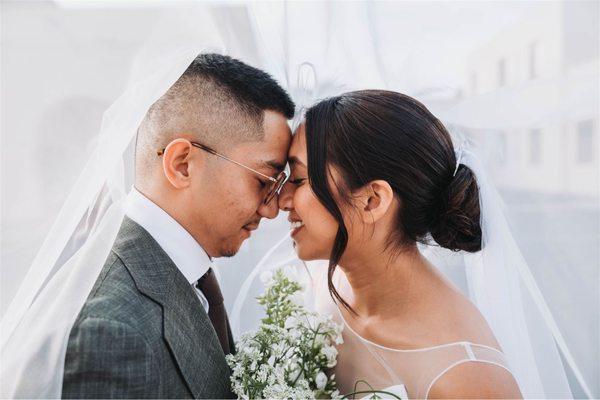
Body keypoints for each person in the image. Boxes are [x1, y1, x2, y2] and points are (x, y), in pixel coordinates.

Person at [61, 53, 295, 398]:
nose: (272, 209)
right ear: (183, 165)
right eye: (264, 181)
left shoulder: (190, 276)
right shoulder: (111, 330)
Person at [278, 90, 523, 399]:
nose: (281, 200)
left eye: (299, 180)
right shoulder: (323, 288)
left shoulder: (467, 378)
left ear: (372, 201)